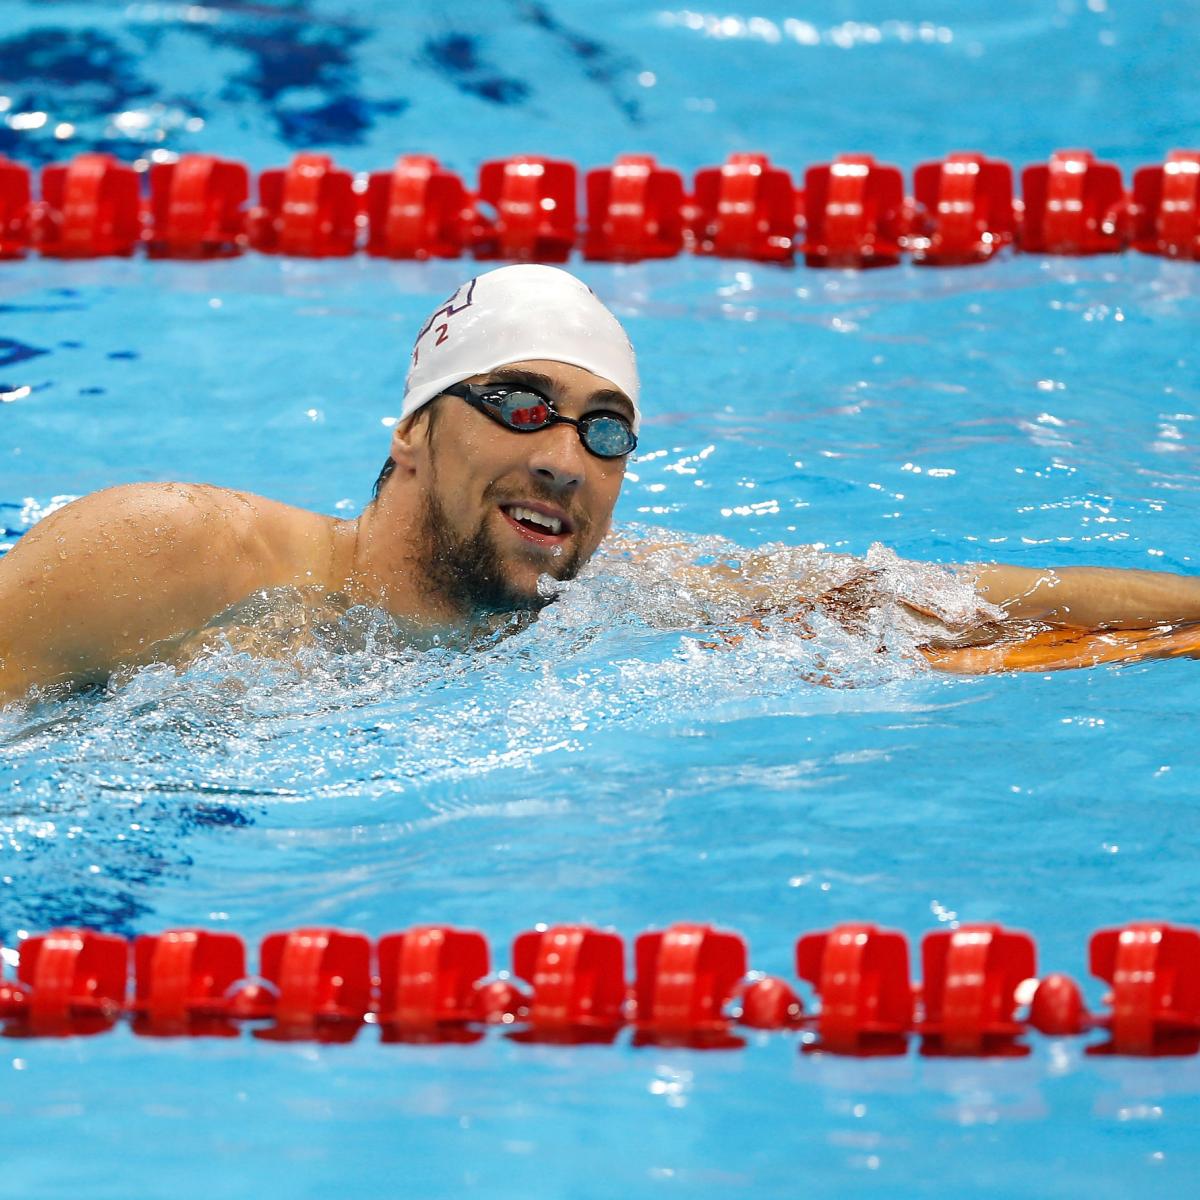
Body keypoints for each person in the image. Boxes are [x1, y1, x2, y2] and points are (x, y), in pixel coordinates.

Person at [2, 263, 1200, 705]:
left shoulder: (625, 604)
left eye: (606, 431)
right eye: (518, 403)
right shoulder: (181, 550)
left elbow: (953, 600)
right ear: (415, 427)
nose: (563, 458)